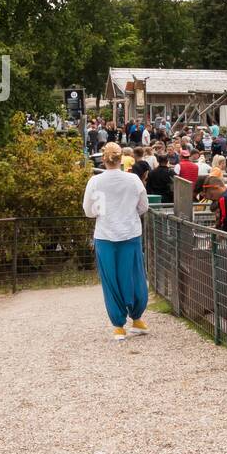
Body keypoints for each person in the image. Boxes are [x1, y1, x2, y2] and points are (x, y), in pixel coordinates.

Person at [83, 143, 150, 341]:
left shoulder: (95, 181)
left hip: (105, 234)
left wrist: (104, 212)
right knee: (134, 275)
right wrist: (127, 213)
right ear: (122, 159)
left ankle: (118, 325)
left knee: (111, 279)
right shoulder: (133, 180)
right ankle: (137, 317)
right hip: (130, 232)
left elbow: (89, 210)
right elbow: (143, 206)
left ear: (103, 159)